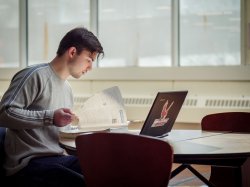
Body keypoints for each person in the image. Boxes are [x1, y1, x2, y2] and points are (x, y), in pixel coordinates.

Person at [0, 27, 104, 187]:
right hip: (28, 164)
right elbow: (4, 113)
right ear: (72, 52)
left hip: (57, 158)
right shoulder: (34, 75)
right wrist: (50, 117)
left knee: (102, 168)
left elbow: (55, 131)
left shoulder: (67, 88)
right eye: (89, 60)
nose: (90, 67)